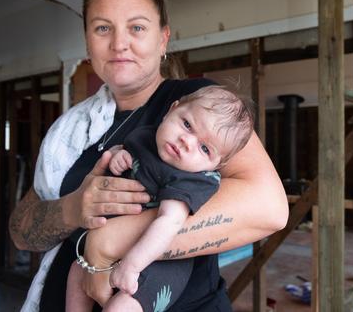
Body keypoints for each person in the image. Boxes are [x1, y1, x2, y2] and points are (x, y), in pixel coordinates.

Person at [8, 0, 288, 311]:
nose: (119, 43)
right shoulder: (72, 131)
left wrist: (107, 241)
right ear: (87, 41)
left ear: (163, 38)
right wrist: (73, 209)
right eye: (102, 28)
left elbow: (268, 208)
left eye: (137, 27)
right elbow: (21, 230)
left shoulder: (197, 106)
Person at [66, 86, 254, 312]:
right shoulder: (146, 137)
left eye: (205, 148)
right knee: (77, 271)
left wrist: (133, 265)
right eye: (187, 124)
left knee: (121, 308)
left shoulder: (192, 179)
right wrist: (119, 155)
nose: (187, 141)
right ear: (171, 110)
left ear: (217, 165)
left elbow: (169, 222)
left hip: (159, 263)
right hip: (112, 250)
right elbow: (126, 151)